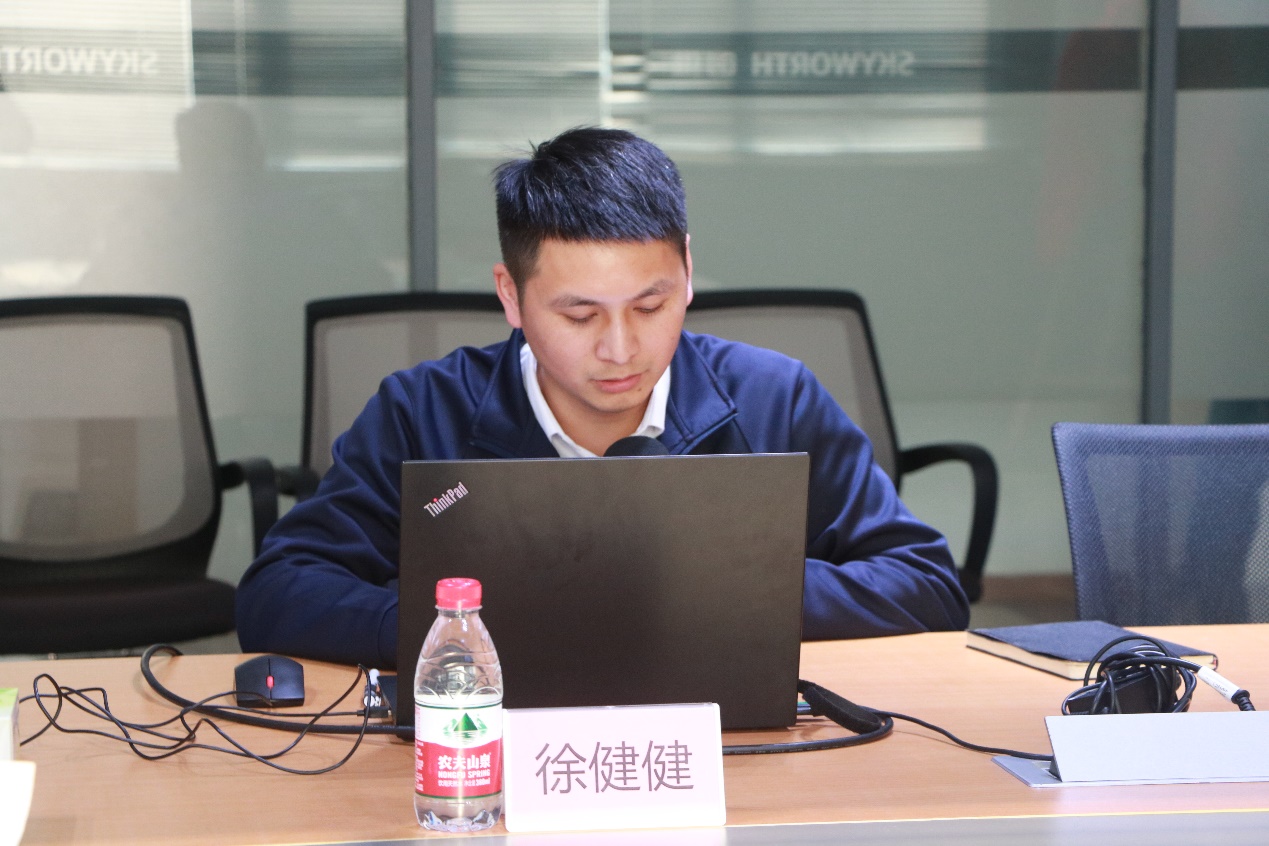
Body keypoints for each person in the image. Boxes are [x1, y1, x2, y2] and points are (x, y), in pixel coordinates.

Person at [236, 127, 969, 668]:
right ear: (511, 296)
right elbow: (279, 592)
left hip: (724, 742)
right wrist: (467, 626)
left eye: (650, 306)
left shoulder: (773, 398)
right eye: (580, 316)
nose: (621, 349)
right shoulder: (423, 411)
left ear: (687, 271)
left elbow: (927, 585)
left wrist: (719, 589)